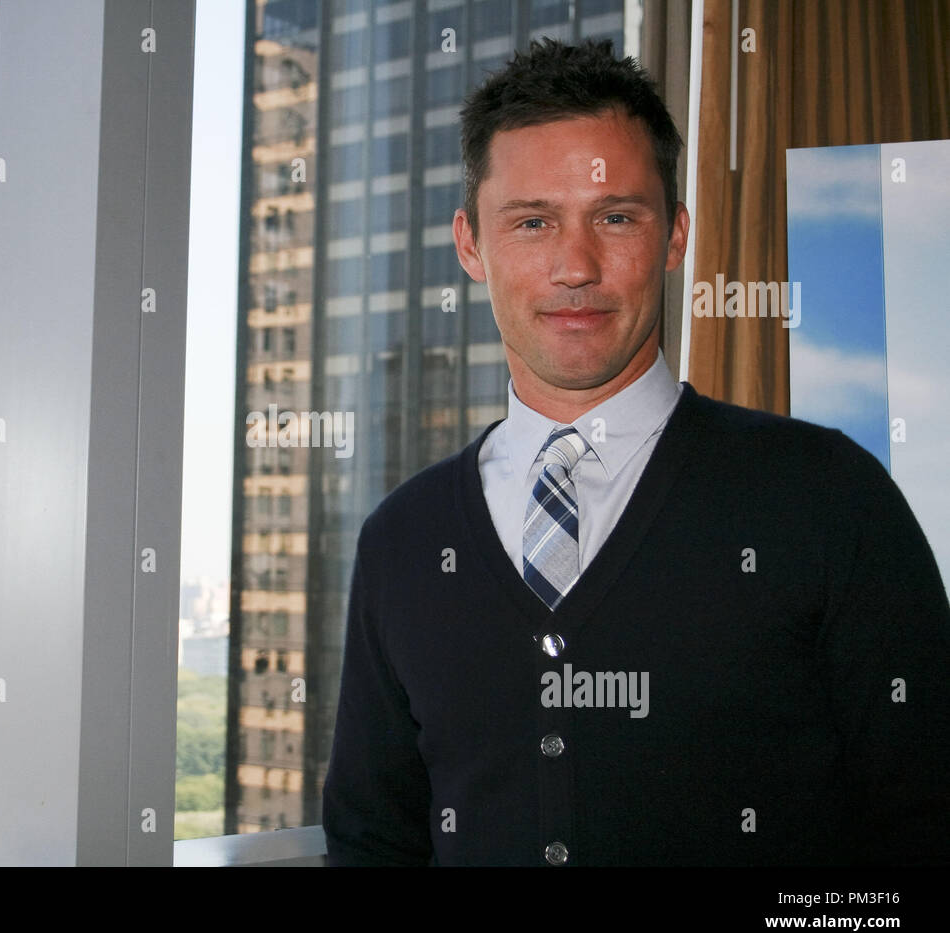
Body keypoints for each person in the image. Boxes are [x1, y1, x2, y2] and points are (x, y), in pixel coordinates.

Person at [320, 38, 950, 866]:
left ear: (675, 237)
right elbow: (373, 841)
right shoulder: (402, 538)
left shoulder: (829, 498)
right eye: (533, 222)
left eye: (616, 217)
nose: (575, 266)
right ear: (470, 246)